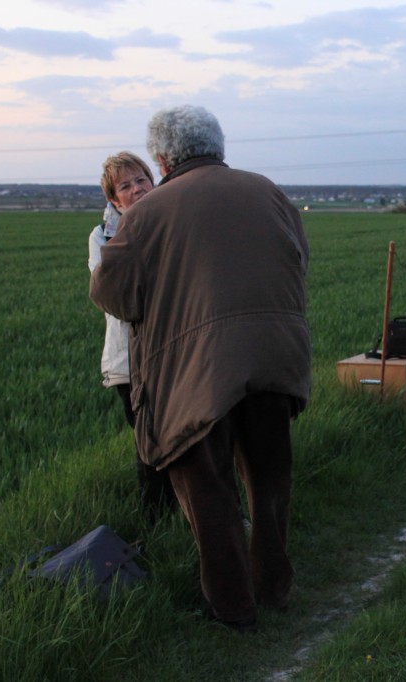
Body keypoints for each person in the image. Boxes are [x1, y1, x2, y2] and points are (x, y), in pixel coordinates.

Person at [89, 105, 312, 632]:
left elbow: (112, 294)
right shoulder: (270, 192)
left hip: (195, 373)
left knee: (207, 491)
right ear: (219, 145)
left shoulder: (145, 214)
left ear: (163, 158)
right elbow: (298, 257)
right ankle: (275, 586)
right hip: (276, 357)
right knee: (270, 478)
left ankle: (233, 608)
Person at [88, 152, 177, 519]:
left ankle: (204, 518)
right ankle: (157, 524)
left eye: (141, 179)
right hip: (129, 360)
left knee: (191, 438)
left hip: (176, 352)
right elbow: (114, 296)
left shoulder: (174, 220)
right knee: (148, 444)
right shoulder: (103, 236)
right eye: (125, 185)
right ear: (114, 199)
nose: (137, 188)